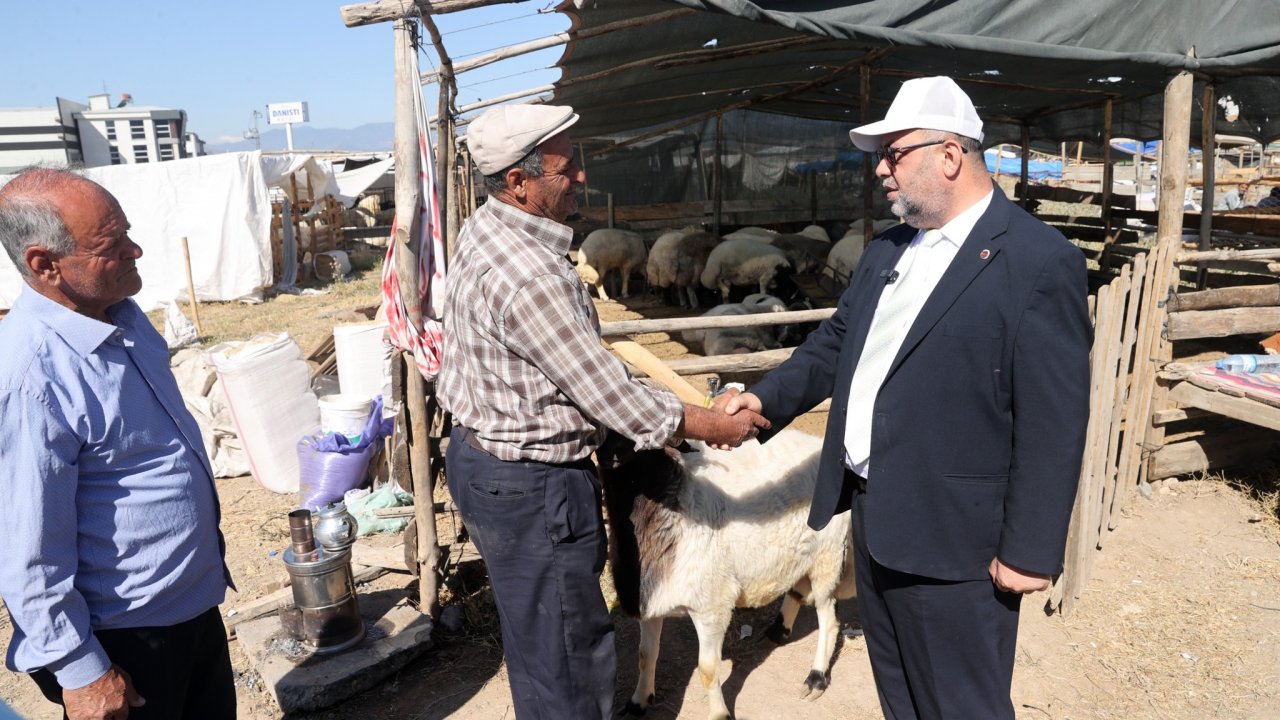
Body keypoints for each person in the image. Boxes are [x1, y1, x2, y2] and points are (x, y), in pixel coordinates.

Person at [722, 76, 1092, 718]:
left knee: (961, 703)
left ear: (950, 155)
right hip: (876, 518)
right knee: (902, 698)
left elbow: (1054, 418)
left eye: (894, 154)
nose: (882, 173)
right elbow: (838, 342)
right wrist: (764, 402)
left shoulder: (1036, 261)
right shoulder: (889, 248)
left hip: (960, 541)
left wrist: (1030, 547)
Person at [436, 104, 770, 719]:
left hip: (485, 462)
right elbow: (612, 398)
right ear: (519, 181)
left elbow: (574, 368)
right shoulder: (531, 274)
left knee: (537, 641)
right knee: (568, 649)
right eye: (567, 168)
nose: (582, 178)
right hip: (533, 484)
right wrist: (713, 426)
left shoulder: (485, 228)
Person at [0, 168, 235, 720]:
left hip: (189, 612)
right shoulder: (30, 378)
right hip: (125, 644)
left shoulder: (121, 317)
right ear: (44, 264)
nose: (136, 249)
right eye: (111, 244)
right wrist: (82, 670)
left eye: (127, 231)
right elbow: (27, 550)